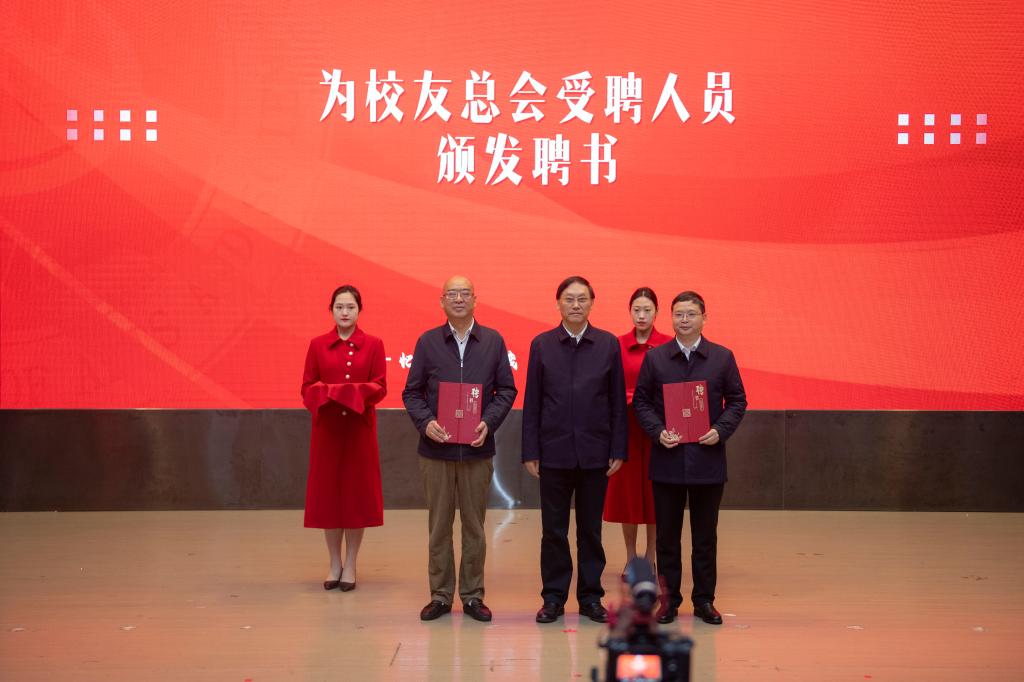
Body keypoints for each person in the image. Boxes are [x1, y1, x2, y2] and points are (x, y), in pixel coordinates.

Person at [402, 275, 517, 622]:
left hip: (476, 450)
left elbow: (506, 390)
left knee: (474, 528)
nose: (458, 299)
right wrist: (426, 423)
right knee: (439, 527)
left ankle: (472, 596)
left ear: (475, 300)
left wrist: (488, 422)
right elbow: (412, 392)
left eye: (465, 293)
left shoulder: (493, 341)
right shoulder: (428, 342)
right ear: (442, 301)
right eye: (451, 293)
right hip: (436, 451)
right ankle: (439, 595)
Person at [632, 291, 747, 625]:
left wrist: (720, 430)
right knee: (667, 538)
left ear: (704, 318)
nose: (684, 320)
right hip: (667, 460)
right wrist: (657, 431)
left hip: (707, 460)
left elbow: (737, 400)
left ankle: (704, 601)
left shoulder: (721, 357)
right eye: (679, 314)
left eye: (691, 314)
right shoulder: (656, 358)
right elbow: (641, 402)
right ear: (671, 318)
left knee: (705, 537)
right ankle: (669, 602)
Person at [522, 275, 628, 624]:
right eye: (569, 299)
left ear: (592, 303)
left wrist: (618, 448)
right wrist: (530, 450)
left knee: (590, 531)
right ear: (558, 304)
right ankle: (553, 598)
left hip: (596, 453)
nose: (576, 305)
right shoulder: (542, 344)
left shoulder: (607, 344)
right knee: (553, 531)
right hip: (553, 452)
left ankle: (590, 597)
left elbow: (616, 401)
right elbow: (533, 401)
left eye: (582, 299)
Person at [301, 284, 387, 592]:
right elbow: (307, 387)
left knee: (355, 498)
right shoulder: (317, 345)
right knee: (328, 498)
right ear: (331, 310)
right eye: (339, 307)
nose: (345, 312)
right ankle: (333, 562)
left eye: (350, 307)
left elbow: (380, 386)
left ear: (359, 310)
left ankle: (351, 562)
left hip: (359, 431)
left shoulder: (374, 344)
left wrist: (350, 393)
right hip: (327, 431)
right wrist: (332, 393)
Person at [603, 288, 672, 574]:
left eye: (647, 310)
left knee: (657, 493)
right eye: (636, 310)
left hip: (659, 430)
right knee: (627, 494)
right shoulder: (616, 345)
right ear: (630, 311)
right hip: (627, 428)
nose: (642, 315)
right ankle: (631, 557)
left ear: (657, 312)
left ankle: (651, 556)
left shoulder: (668, 345)